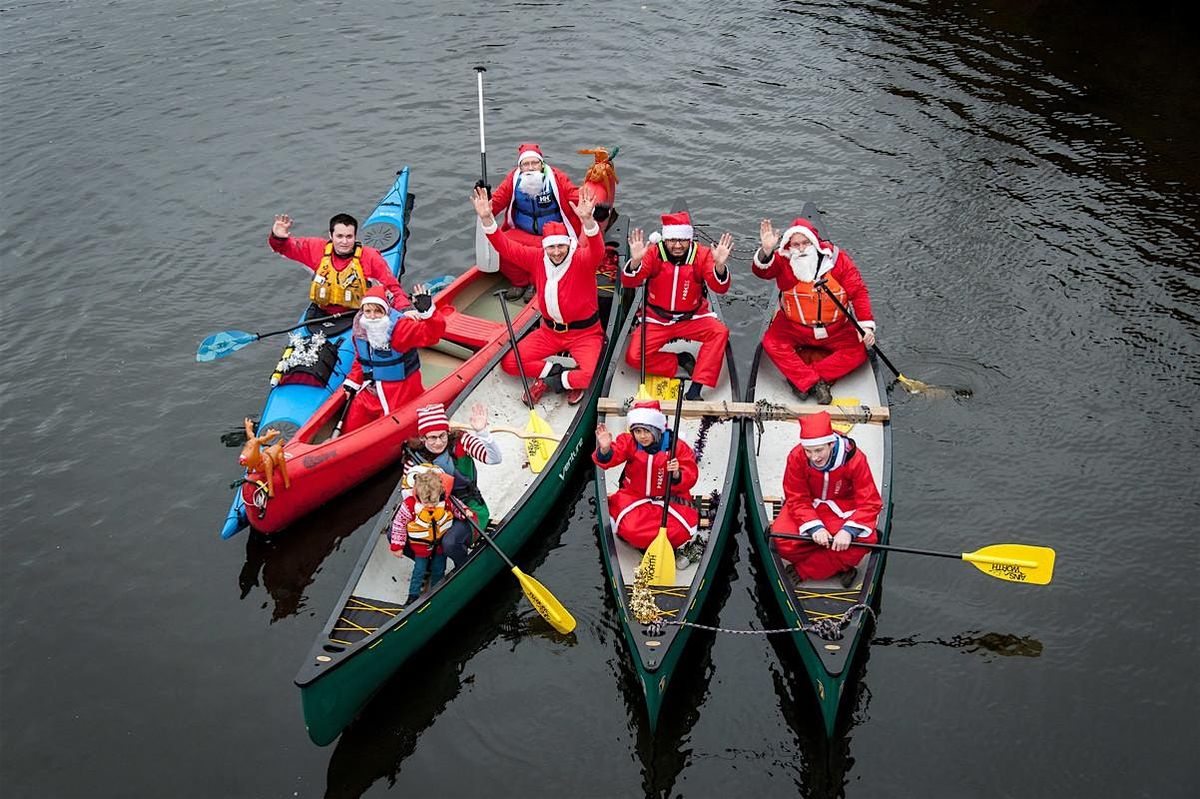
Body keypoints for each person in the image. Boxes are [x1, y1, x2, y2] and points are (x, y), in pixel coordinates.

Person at [471, 184, 605, 407]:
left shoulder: (582, 259)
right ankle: (560, 373)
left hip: (585, 334)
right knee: (510, 363)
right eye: (551, 248)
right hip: (549, 332)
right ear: (545, 248)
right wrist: (487, 219)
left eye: (561, 246)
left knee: (592, 374)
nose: (556, 252)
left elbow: (598, 250)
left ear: (569, 245)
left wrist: (588, 222)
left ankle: (554, 382)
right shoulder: (536, 258)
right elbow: (505, 247)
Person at [752, 216, 876, 405]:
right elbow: (761, 271)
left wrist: (866, 326)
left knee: (862, 349)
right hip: (794, 327)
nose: (801, 249)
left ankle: (806, 379)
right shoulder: (784, 261)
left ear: (815, 243)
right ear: (789, 246)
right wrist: (767, 250)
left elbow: (858, 292)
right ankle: (813, 382)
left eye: (805, 243)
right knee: (770, 343)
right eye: (796, 245)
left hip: (835, 329)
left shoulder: (839, 261)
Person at [622, 212, 733, 401]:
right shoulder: (653, 253)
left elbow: (719, 287)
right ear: (665, 239)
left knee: (720, 332)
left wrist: (720, 267)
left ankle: (696, 387)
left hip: (691, 317)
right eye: (672, 240)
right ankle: (678, 360)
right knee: (633, 357)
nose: (678, 245)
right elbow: (630, 281)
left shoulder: (703, 254)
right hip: (657, 319)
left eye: (682, 240)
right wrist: (635, 262)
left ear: (689, 239)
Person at [771, 411, 882, 588]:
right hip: (808, 509)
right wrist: (814, 526)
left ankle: (804, 570)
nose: (814, 457)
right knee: (780, 540)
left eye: (819, 450)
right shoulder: (796, 456)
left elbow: (870, 502)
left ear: (831, 444)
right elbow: (796, 497)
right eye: (808, 451)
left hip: (843, 511)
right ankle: (839, 563)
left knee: (868, 540)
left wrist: (848, 531)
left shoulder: (855, 459)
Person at [592, 400, 706, 567]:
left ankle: (654, 544)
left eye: (646, 431)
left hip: (670, 499)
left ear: (657, 430)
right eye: (637, 431)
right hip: (634, 497)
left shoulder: (676, 447)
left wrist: (676, 473)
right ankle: (645, 541)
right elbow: (611, 458)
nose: (642, 436)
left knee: (677, 531)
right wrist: (605, 449)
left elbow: (691, 475)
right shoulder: (630, 442)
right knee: (631, 528)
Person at [396, 402, 502, 573]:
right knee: (394, 534)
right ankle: (429, 565)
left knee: (450, 542)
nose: (438, 442)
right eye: (432, 438)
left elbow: (494, 458)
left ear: (447, 432)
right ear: (423, 438)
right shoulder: (413, 460)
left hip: (468, 508)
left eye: (442, 436)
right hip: (434, 510)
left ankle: (465, 569)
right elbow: (407, 495)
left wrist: (482, 432)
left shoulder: (461, 442)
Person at [337, 285, 446, 434]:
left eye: (377, 311)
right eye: (368, 311)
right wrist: (353, 381)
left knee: (385, 429)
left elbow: (432, 335)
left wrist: (428, 313)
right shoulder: (361, 327)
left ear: (385, 311)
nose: (372, 316)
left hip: (399, 391)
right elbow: (362, 358)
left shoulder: (400, 329)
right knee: (352, 422)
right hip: (371, 388)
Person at [486, 143, 582, 302]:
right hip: (522, 233)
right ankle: (520, 282)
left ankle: (535, 283)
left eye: (535, 163)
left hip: (552, 235)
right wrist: (485, 198)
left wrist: (591, 208)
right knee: (499, 245)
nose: (530, 168)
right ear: (520, 167)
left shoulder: (556, 178)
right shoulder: (513, 179)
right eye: (526, 164)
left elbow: (574, 196)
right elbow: (495, 204)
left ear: (541, 164)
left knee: (555, 251)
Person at [269, 212, 409, 314]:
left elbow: (392, 288)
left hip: (357, 313)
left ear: (355, 236)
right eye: (339, 236)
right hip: (322, 312)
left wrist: (406, 310)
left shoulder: (370, 257)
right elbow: (282, 248)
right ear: (331, 235)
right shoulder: (314, 248)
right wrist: (278, 237)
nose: (344, 241)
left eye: (349, 236)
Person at [389, 469, 456, 605]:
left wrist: (466, 512)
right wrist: (397, 546)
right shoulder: (409, 506)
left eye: (434, 502)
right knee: (419, 570)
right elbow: (399, 524)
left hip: (440, 545)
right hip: (421, 546)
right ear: (418, 495)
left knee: (439, 568)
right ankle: (413, 596)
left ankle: (437, 590)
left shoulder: (446, 501)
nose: (431, 506)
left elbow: (457, 509)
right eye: (427, 503)